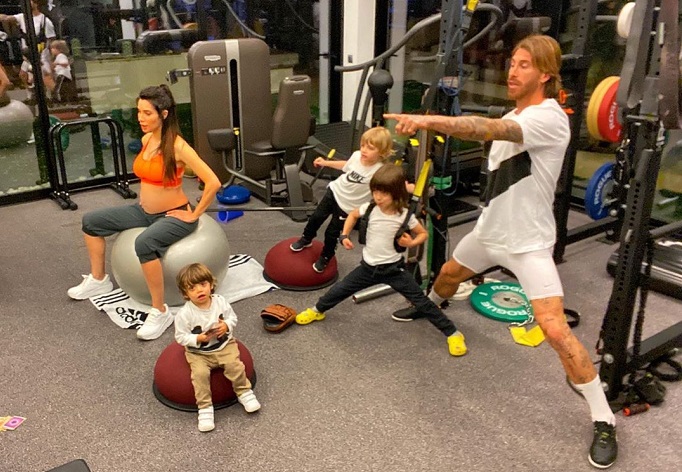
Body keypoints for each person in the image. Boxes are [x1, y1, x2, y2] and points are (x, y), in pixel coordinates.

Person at [384, 35, 617, 469]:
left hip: (528, 244)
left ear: (545, 74)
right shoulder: (516, 112)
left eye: (524, 65)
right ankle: (430, 306)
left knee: (554, 330)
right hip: (489, 232)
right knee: (447, 277)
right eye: (512, 62)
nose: (512, 71)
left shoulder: (550, 118)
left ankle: (604, 418)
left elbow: (485, 129)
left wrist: (427, 119)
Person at [67, 84, 221, 341]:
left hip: (174, 215)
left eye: (147, 113)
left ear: (164, 114)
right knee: (91, 222)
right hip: (144, 211)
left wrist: (194, 215)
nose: (140, 118)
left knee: (144, 243)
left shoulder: (178, 146)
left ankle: (160, 311)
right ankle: (99, 279)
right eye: (139, 112)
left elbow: (213, 182)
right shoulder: (146, 140)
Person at [295, 164, 466, 357]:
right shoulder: (369, 208)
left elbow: (423, 234)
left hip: (394, 270)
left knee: (422, 302)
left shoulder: (405, 216)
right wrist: (344, 235)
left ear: (396, 193)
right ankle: (317, 310)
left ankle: (453, 333)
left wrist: (411, 242)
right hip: (367, 268)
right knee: (340, 290)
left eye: (383, 193)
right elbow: (352, 215)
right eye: (375, 191)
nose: (377, 197)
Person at [289, 126, 393, 273]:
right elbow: (346, 165)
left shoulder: (380, 171)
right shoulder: (357, 155)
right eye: (363, 145)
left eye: (370, 148)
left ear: (382, 152)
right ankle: (306, 238)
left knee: (332, 233)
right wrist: (326, 163)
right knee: (316, 217)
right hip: (335, 191)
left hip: (347, 207)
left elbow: (387, 190)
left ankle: (326, 256)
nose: (364, 150)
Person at [174, 263, 261, 432]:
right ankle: (205, 408)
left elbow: (232, 318)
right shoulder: (184, 314)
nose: (199, 290)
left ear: (211, 284)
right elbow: (180, 336)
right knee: (200, 375)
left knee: (235, 366)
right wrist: (197, 338)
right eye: (192, 288)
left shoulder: (220, 302)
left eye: (203, 284)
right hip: (199, 353)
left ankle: (244, 392)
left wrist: (226, 325)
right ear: (185, 294)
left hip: (224, 345)